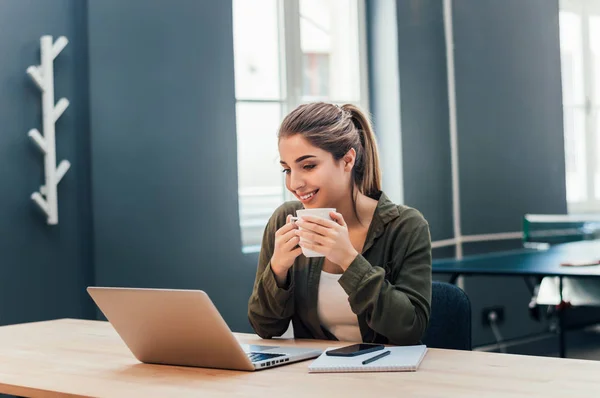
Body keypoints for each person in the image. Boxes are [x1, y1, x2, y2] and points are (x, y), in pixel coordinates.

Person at [248, 102, 432, 345]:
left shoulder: (406, 226)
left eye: (308, 166)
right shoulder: (284, 220)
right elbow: (265, 327)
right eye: (287, 170)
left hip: (389, 377)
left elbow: (409, 329)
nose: (295, 183)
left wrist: (349, 260)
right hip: (314, 377)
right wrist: (278, 269)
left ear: (347, 161)